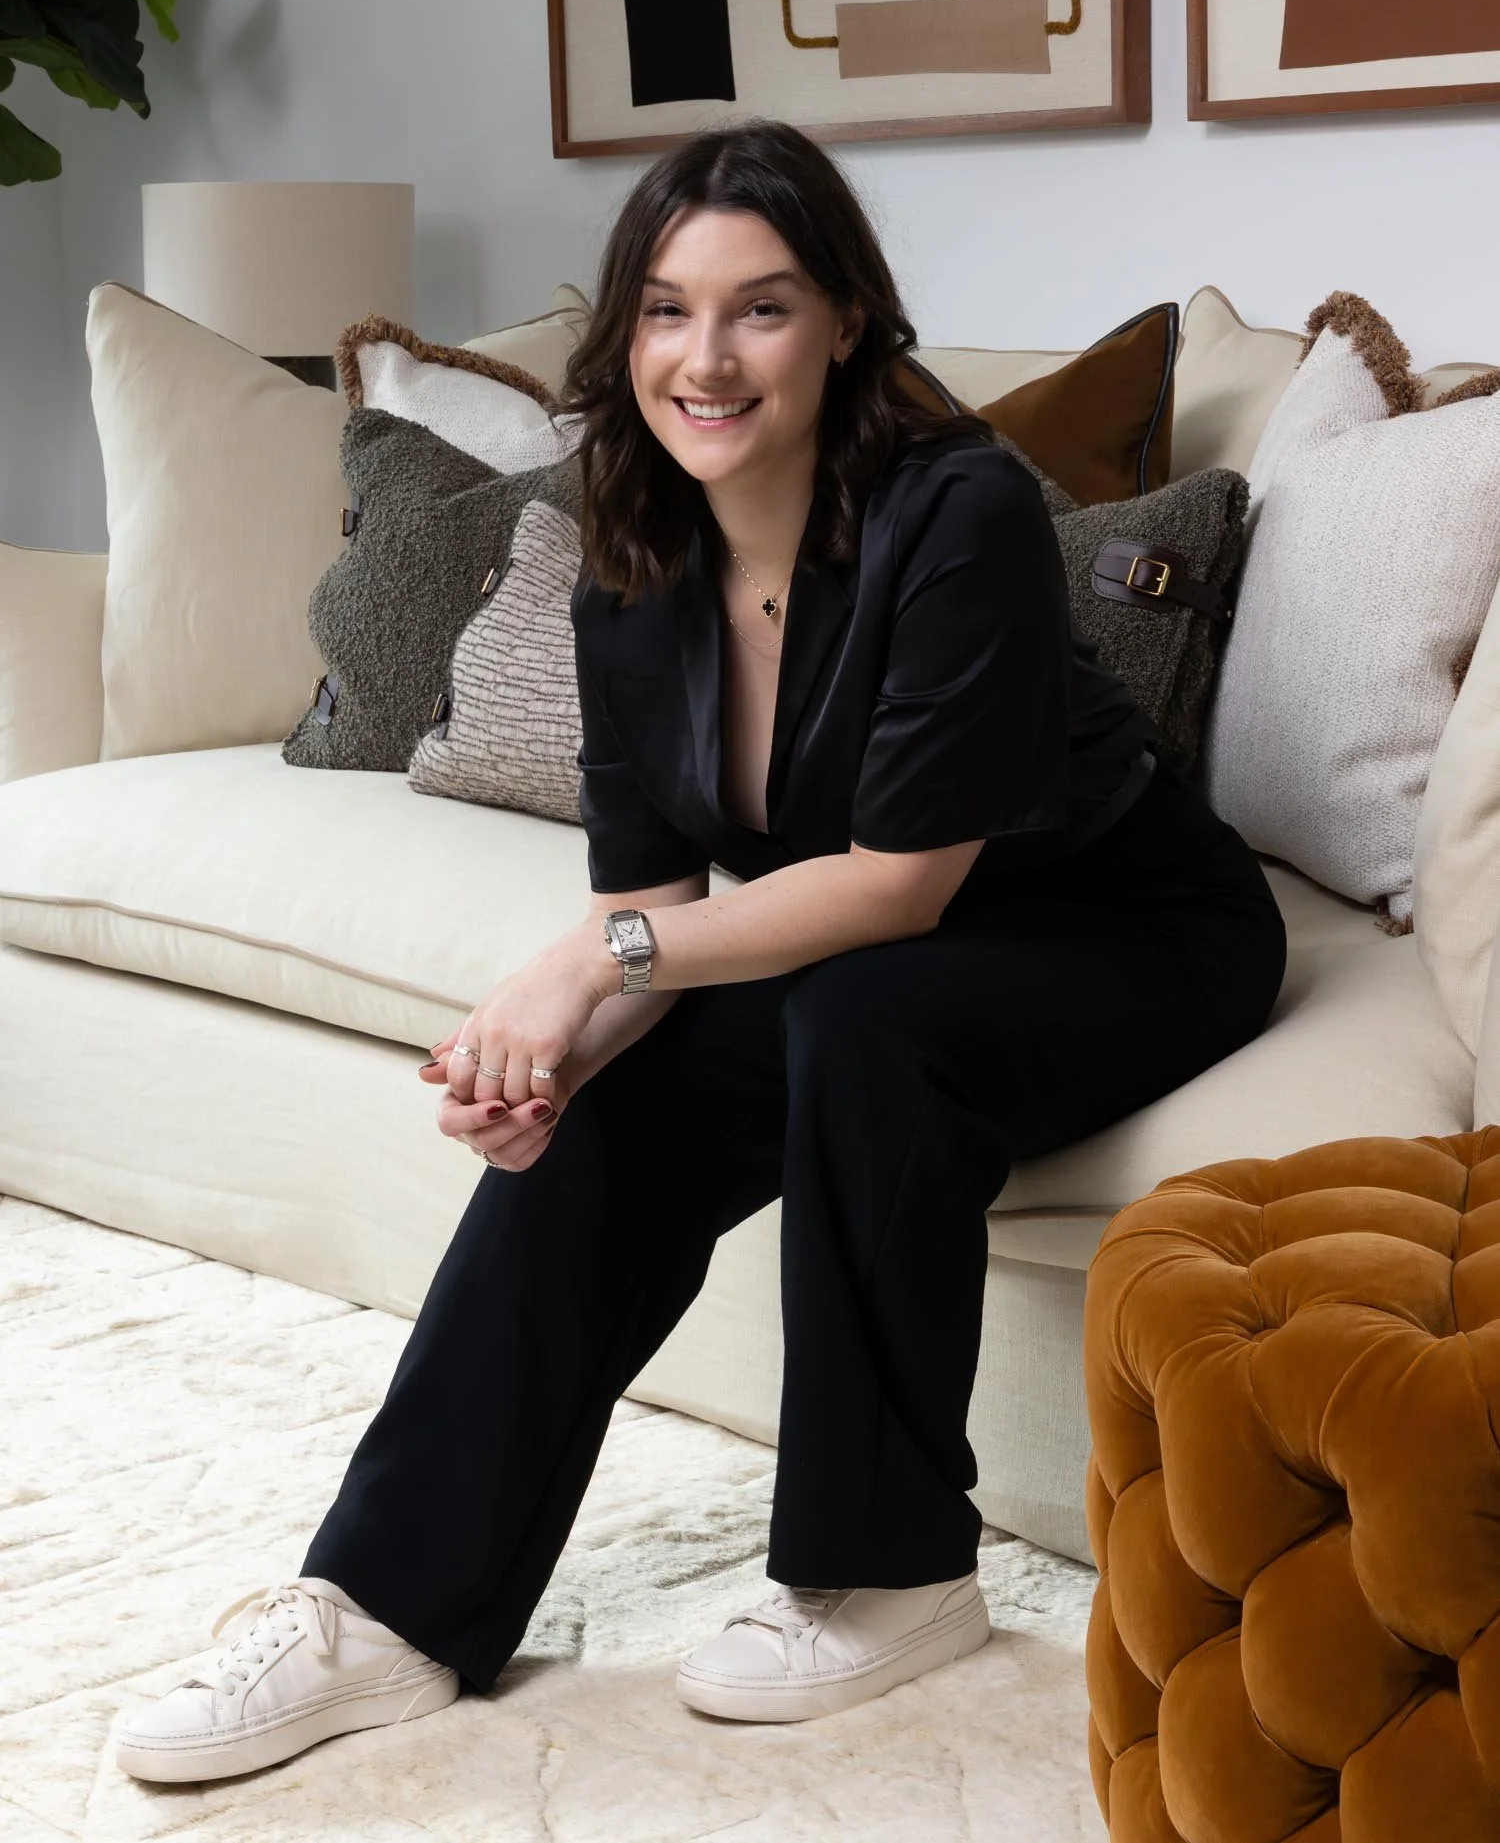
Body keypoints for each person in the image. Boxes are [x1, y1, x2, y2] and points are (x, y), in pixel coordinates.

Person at [115, 121, 1287, 1784]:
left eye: (763, 308)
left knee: (867, 1023)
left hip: (1123, 923)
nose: (706, 358)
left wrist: (587, 971)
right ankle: (384, 1609)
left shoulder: (957, 510)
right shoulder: (630, 556)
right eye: (668, 311)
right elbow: (653, 906)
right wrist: (551, 1059)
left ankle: (892, 1573)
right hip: (867, 942)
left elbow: (892, 889)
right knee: (617, 1102)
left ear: (847, 327)